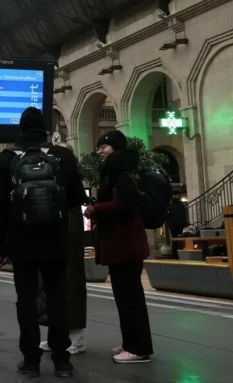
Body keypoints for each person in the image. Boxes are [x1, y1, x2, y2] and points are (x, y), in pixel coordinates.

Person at [0, 107, 87, 378]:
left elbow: (0, 206)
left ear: (20, 131)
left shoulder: (6, 159)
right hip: (56, 240)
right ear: (46, 130)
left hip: (21, 242)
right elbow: (76, 199)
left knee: (26, 298)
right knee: (58, 297)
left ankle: (31, 360)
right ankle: (62, 360)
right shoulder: (63, 156)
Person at [84, 130, 153, 364]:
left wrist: (96, 209)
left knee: (130, 299)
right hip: (122, 244)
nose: (99, 151)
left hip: (125, 244)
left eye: (104, 146)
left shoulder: (119, 170)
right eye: (99, 146)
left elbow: (124, 203)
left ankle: (138, 348)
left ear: (115, 147)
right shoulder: (120, 169)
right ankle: (130, 344)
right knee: (125, 298)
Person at [37, 142, 88, 355]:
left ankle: (75, 337)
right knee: (50, 282)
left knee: (70, 279)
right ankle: (57, 335)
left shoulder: (68, 176)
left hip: (66, 224)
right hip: (55, 223)